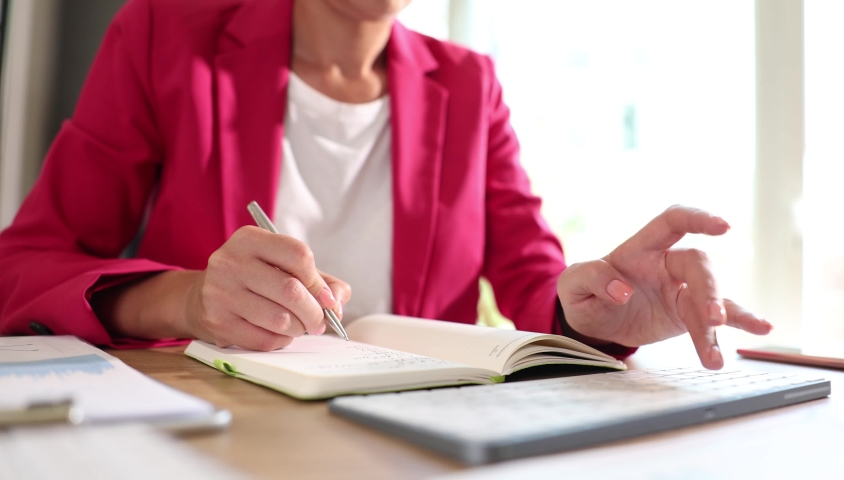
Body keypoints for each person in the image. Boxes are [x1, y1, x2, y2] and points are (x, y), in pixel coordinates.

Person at [0, 0, 771, 368]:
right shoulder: (163, 35)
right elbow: (23, 268)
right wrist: (187, 298)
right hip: (214, 430)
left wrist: (605, 310)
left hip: (416, 445)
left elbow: (536, 282)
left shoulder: (471, 85)